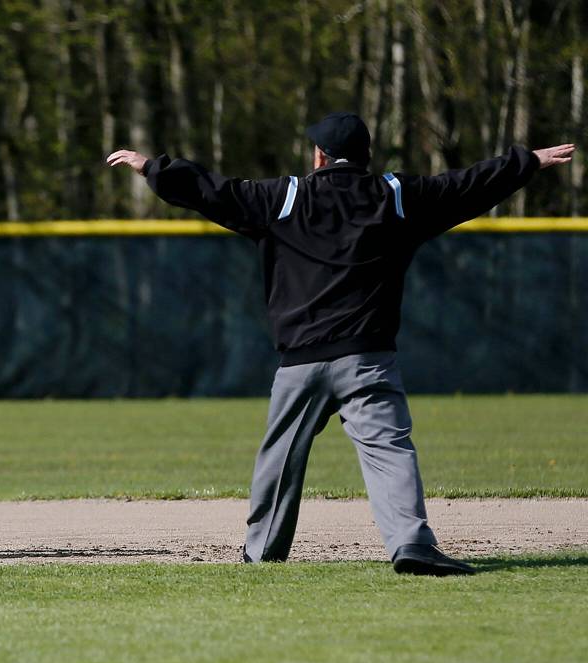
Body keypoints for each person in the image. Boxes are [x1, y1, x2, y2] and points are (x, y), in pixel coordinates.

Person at [108, 113, 574, 575]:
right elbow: (466, 186)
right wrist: (525, 162)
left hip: (301, 364)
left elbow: (214, 192)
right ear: (366, 156)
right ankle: (411, 543)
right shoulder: (395, 197)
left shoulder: (284, 199)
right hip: (367, 359)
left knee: (281, 455)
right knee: (389, 449)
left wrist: (153, 168)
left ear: (319, 156)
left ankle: (262, 550)